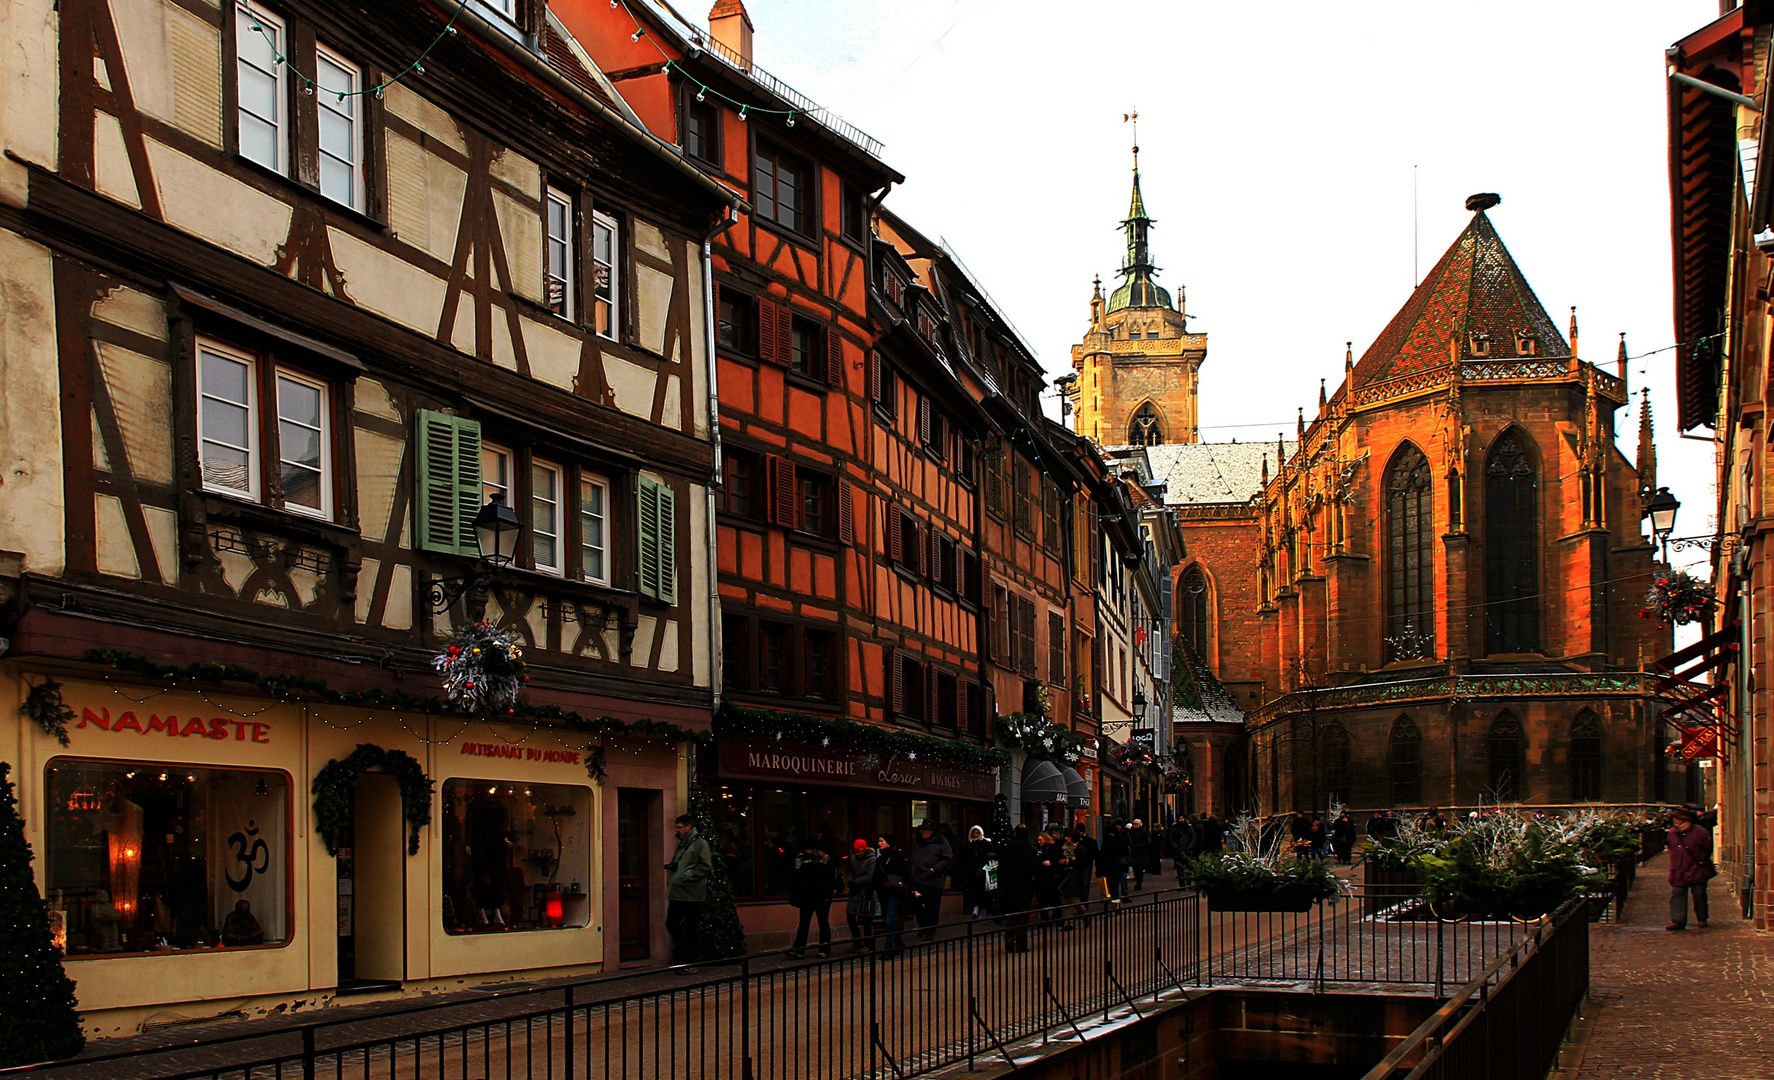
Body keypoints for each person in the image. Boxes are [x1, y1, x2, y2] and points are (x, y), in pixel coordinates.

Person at [665, 814, 713, 969]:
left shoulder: (700, 844)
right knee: (672, 923)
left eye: (680, 827)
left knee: (690, 927)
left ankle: (689, 960)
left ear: (688, 827)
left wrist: (686, 875)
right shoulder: (682, 844)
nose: (677, 830)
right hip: (677, 891)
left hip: (692, 893)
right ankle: (682, 956)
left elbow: (705, 867)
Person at [785, 839, 835, 959]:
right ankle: (799, 949)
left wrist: (827, 895)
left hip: (821, 897)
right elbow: (800, 880)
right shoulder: (805, 861)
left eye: (808, 849)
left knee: (822, 923)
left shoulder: (825, 861)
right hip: (808, 897)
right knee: (804, 923)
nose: (806, 851)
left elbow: (830, 880)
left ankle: (824, 948)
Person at [1665, 806, 1714, 931]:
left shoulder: (1700, 832)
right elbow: (1671, 848)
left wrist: (1700, 860)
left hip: (1696, 869)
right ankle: (1678, 921)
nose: (1675, 821)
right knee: (1677, 895)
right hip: (1678, 870)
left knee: (1699, 895)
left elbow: (1707, 848)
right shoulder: (1672, 833)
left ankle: (1702, 918)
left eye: (1678, 819)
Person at [908, 819, 954, 941]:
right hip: (917, 878)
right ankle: (923, 926)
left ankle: (930, 931)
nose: (923, 832)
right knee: (914, 903)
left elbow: (948, 859)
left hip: (933, 880)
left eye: (926, 830)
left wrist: (934, 869)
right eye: (922, 829)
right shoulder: (918, 841)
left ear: (932, 831)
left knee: (931, 907)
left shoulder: (941, 842)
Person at [999, 825, 1037, 953]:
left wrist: (1001, 887)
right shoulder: (1030, 850)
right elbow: (1035, 871)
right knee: (1022, 916)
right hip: (1025, 886)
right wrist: (1038, 888)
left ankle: (1009, 940)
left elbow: (1001, 870)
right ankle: (1021, 944)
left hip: (1008, 886)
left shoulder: (1006, 849)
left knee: (1011, 915)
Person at [872, 834, 912, 951]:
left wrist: (912, 889)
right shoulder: (880, 859)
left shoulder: (898, 856)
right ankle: (899, 943)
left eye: (882, 841)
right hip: (883, 892)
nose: (879, 844)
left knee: (889, 920)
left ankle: (889, 948)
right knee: (888, 920)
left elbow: (906, 873)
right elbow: (876, 877)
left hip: (895, 892)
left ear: (889, 842)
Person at [958, 825, 999, 918]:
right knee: (974, 890)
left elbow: (992, 855)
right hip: (971, 871)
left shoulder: (985, 843)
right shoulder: (969, 844)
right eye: (974, 833)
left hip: (983, 871)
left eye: (977, 833)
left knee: (980, 891)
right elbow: (963, 856)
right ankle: (977, 908)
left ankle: (980, 909)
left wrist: (982, 857)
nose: (975, 835)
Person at [844, 838, 878, 952]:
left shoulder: (872, 859)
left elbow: (870, 876)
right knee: (850, 916)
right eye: (856, 852)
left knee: (866, 920)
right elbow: (851, 872)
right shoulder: (853, 858)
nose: (858, 854)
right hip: (855, 892)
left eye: (860, 852)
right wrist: (850, 881)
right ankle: (857, 941)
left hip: (866, 892)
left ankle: (868, 944)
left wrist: (855, 882)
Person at [1058, 828, 1093, 926]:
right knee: (1065, 901)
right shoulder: (1063, 848)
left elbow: (1084, 862)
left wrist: (1069, 862)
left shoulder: (1080, 849)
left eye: (1068, 837)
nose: (1066, 839)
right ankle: (1068, 923)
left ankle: (1085, 916)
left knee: (1075, 901)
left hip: (1075, 877)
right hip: (1065, 876)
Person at [1033, 831, 1064, 918]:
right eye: (1038, 840)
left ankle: (1056, 916)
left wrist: (1051, 864)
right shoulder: (1037, 850)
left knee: (1054, 899)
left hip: (1051, 879)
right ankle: (1044, 918)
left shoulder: (1053, 848)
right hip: (1041, 878)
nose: (1039, 842)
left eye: (1041, 840)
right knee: (1042, 900)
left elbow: (1060, 862)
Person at [1097, 822, 1130, 901]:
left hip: (1113, 867)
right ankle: (1115, 902)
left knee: (1112, 886)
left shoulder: (1108, 842)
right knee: (1113, 886)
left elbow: (1102, 855)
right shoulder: (1118, 839)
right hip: (1116, 866)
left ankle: (1115, 902)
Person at [1126, 820, 1154, 891]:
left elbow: (1148, 842)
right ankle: (1138, 881)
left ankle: (1139, 882)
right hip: (1134, 853)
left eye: (1135, 824)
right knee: (1135, 868)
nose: (1133, 826)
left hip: (1141, 853)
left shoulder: (1144, 832)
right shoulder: (1130, 832)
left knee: (1139, 868)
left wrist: (1137, 846)